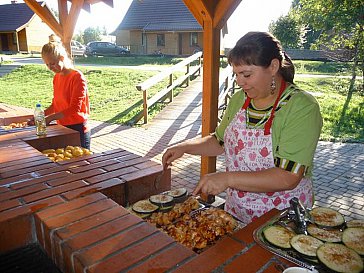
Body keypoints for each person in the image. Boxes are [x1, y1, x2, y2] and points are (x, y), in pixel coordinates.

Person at [162, 32, 323, 225]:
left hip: (281, 218)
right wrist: (185, 147)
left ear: (273, 67)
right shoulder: (240, 99)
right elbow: (219, 141)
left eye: (246, 74)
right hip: (238, 211)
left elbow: (288, 176)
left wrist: (227, 178)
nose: (239, 82)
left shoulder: (301, 107)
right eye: (236, 75)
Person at [40, 34, 91, 149]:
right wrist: (41, 115)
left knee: (81, 165)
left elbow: (74, 108)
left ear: (62, 58)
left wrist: (50, 118)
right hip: (62, 127)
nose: (50, 67)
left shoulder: (77, 77)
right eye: (47, 64)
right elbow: (56, 105)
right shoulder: (56, 78)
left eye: (52, 63)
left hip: (78, 129)